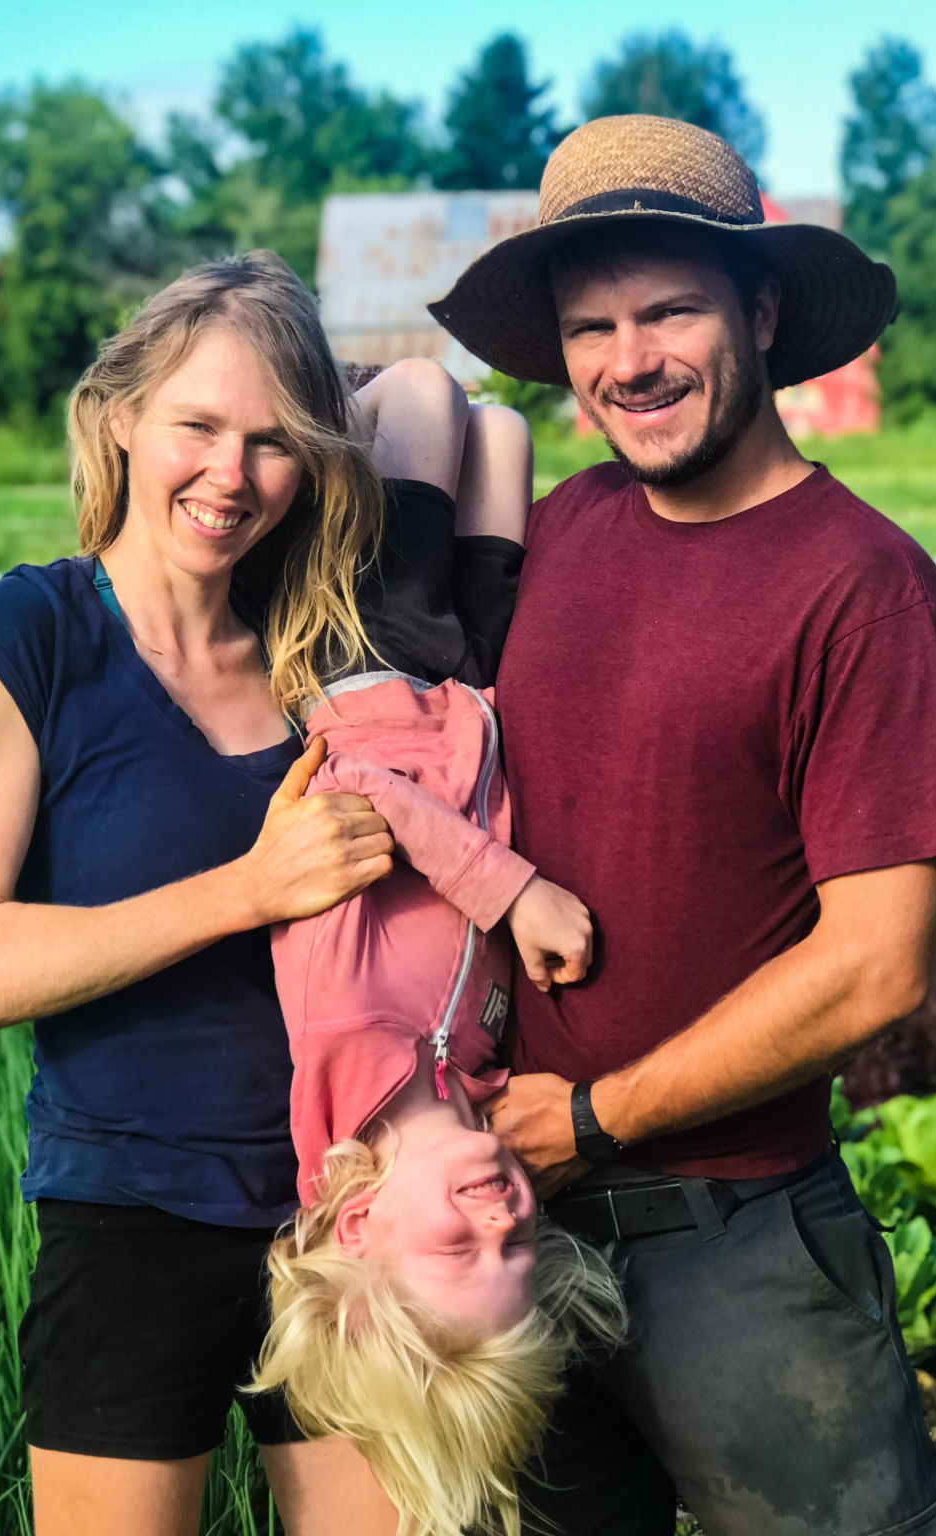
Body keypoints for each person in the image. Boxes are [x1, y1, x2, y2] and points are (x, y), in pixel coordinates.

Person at [428, 115, 936, 1535]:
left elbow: (876, 964)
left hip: (735, 1235)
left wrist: (599, 1119)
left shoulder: (859, 588)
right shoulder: (559, 534)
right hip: (513, 1220)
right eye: (591, 326)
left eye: (670, 308)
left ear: (764, 307)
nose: (633, 360)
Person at [0, 252, 403, 1536]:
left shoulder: (322, 658)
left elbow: (458, 415)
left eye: (274, 442)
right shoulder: (31, 641)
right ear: (119, 417)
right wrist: (246, 888)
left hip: (343, 1213)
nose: (230, 476)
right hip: (131, 1218)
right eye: (197, 425)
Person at [250, 359, 625, 1536]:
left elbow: (346, 794)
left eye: (460, 1249)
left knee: (419, 388)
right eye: (520, 1248)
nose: (505, 1219)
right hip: (466, 699)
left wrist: (508, 891)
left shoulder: (341, 1050)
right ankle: (353, 425)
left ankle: (334, 415)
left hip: (365, 679)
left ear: (354, 1227)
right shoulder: (477, 1085)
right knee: (503, 433)